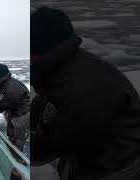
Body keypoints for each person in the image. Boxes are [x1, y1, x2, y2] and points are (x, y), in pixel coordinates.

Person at [31, 7, 140, 180]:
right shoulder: (60, 66)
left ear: (41, 48)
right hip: (91, 151)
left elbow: (48, 146)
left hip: (117, 166)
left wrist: (22, 143)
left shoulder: (82, 89)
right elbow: (46, 101)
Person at [0, 64, 30, 151]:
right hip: (13, 110)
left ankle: (17, 157)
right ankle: (12, 145)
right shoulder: (6, 83)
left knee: (17, 139)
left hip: (21, 115)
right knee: (11, 134)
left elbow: (2, 106)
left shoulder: (11, 89)